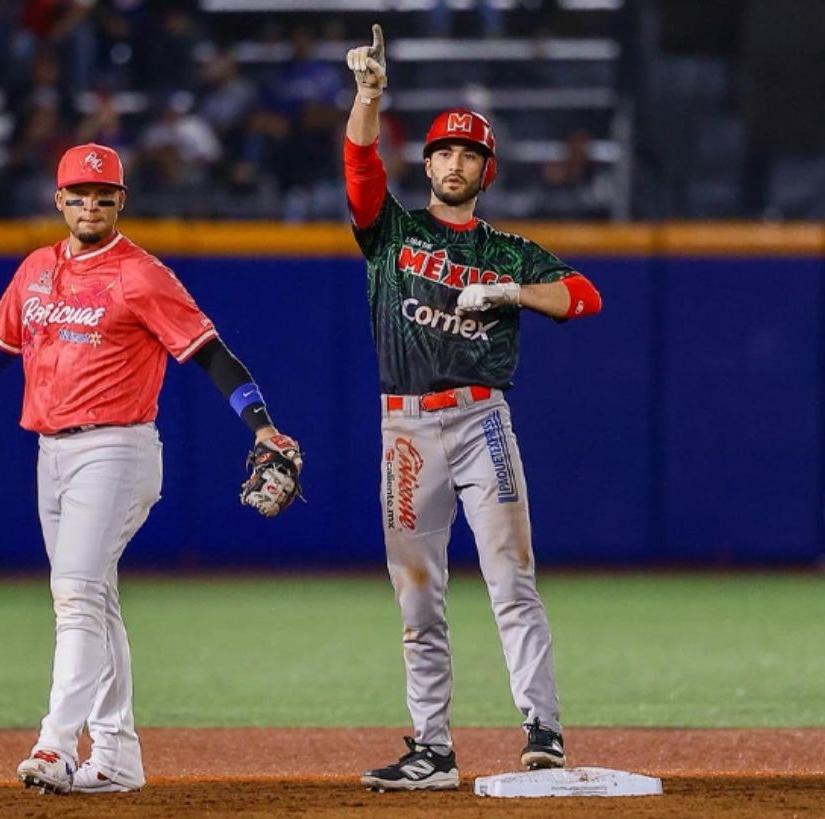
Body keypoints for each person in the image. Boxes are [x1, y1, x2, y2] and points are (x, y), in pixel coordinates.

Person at [0, 143, 302, 796]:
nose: (91, 207)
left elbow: (211, 353)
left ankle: (54, 743)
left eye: (104, 197)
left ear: (121, 202)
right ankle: (116, 756)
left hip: (116, 448)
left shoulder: (141, 274)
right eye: (80, 196)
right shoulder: (36, 270)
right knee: (93, 600)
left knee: (74, 593)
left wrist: (262, 425)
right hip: (51, 453)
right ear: (60, 201)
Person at [341, 25, 603, 791]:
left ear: (486, 171)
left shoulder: (508, 251)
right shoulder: (391, 233)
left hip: (481, 419)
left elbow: (584, 296)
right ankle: (431, 747)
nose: (455, 163)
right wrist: (368, 96)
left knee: (511, 577)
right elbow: (359, 169)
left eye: (469, 154)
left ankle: (543, 728)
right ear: (426, 164)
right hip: (405, 427)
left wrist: (511, 291)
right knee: (417, 595)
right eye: (444, 152)